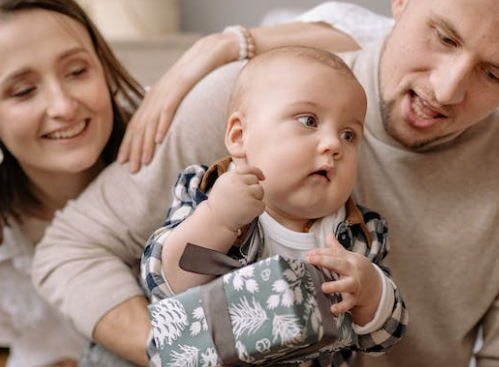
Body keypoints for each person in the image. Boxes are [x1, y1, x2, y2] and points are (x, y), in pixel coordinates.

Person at [32, 0, 499, 366]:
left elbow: (387, 327)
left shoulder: (356, 233)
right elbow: (138, 267)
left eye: (494, 72)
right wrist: (188, 348)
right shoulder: (247, 121)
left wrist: (371, 293)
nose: (447, 89)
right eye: (443, 37)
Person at [141, 46, 407, 367]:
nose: (334, 145)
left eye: (349, 135)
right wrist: (218, 219)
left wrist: (369, 289)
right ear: (240, 136)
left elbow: (384, 336)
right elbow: (163, 280)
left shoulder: (358, 235)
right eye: (309, 120)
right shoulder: (210, 192)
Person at [0, 0, 164, 366]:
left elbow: (326, 20)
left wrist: (222, 47)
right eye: (23, 91)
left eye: (77, 70)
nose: (63, 106)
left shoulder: (166, 134)